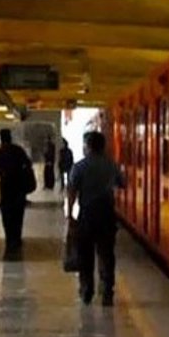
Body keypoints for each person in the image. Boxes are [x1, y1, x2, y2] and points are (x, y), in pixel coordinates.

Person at [67, 131, 125, 306]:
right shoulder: (111, 165)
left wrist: (70, 215)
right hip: (107, 214)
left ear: (87, 146)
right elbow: (122, 184)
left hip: (87, 214)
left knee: (86, 254)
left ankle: (87, 291)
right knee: (107, 253)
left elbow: (72, 192)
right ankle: (107, 291)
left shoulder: (79, 167)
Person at [0, 129, 32, 259]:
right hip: (19, 187)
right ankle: (17, 238)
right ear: (10, 137)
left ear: (1, 139)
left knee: (6, 214)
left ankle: (9, 238)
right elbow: (28, 164)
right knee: (18, 213)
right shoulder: (19, 150)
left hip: (5, 187)